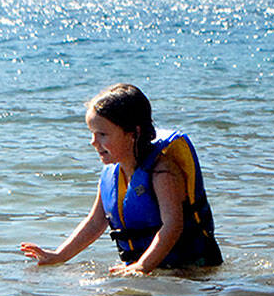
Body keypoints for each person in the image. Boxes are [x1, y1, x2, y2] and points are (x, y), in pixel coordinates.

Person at [21, 84, 222, 274]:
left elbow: (173, 225)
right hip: (148, 269)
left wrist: (143, 265)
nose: (93, 142)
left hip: (189, 271)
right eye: (92, 133)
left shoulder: (162, 172)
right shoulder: (112, 175)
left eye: (102, 134)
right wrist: (58, 256)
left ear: (133, 133)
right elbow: (95, 222)